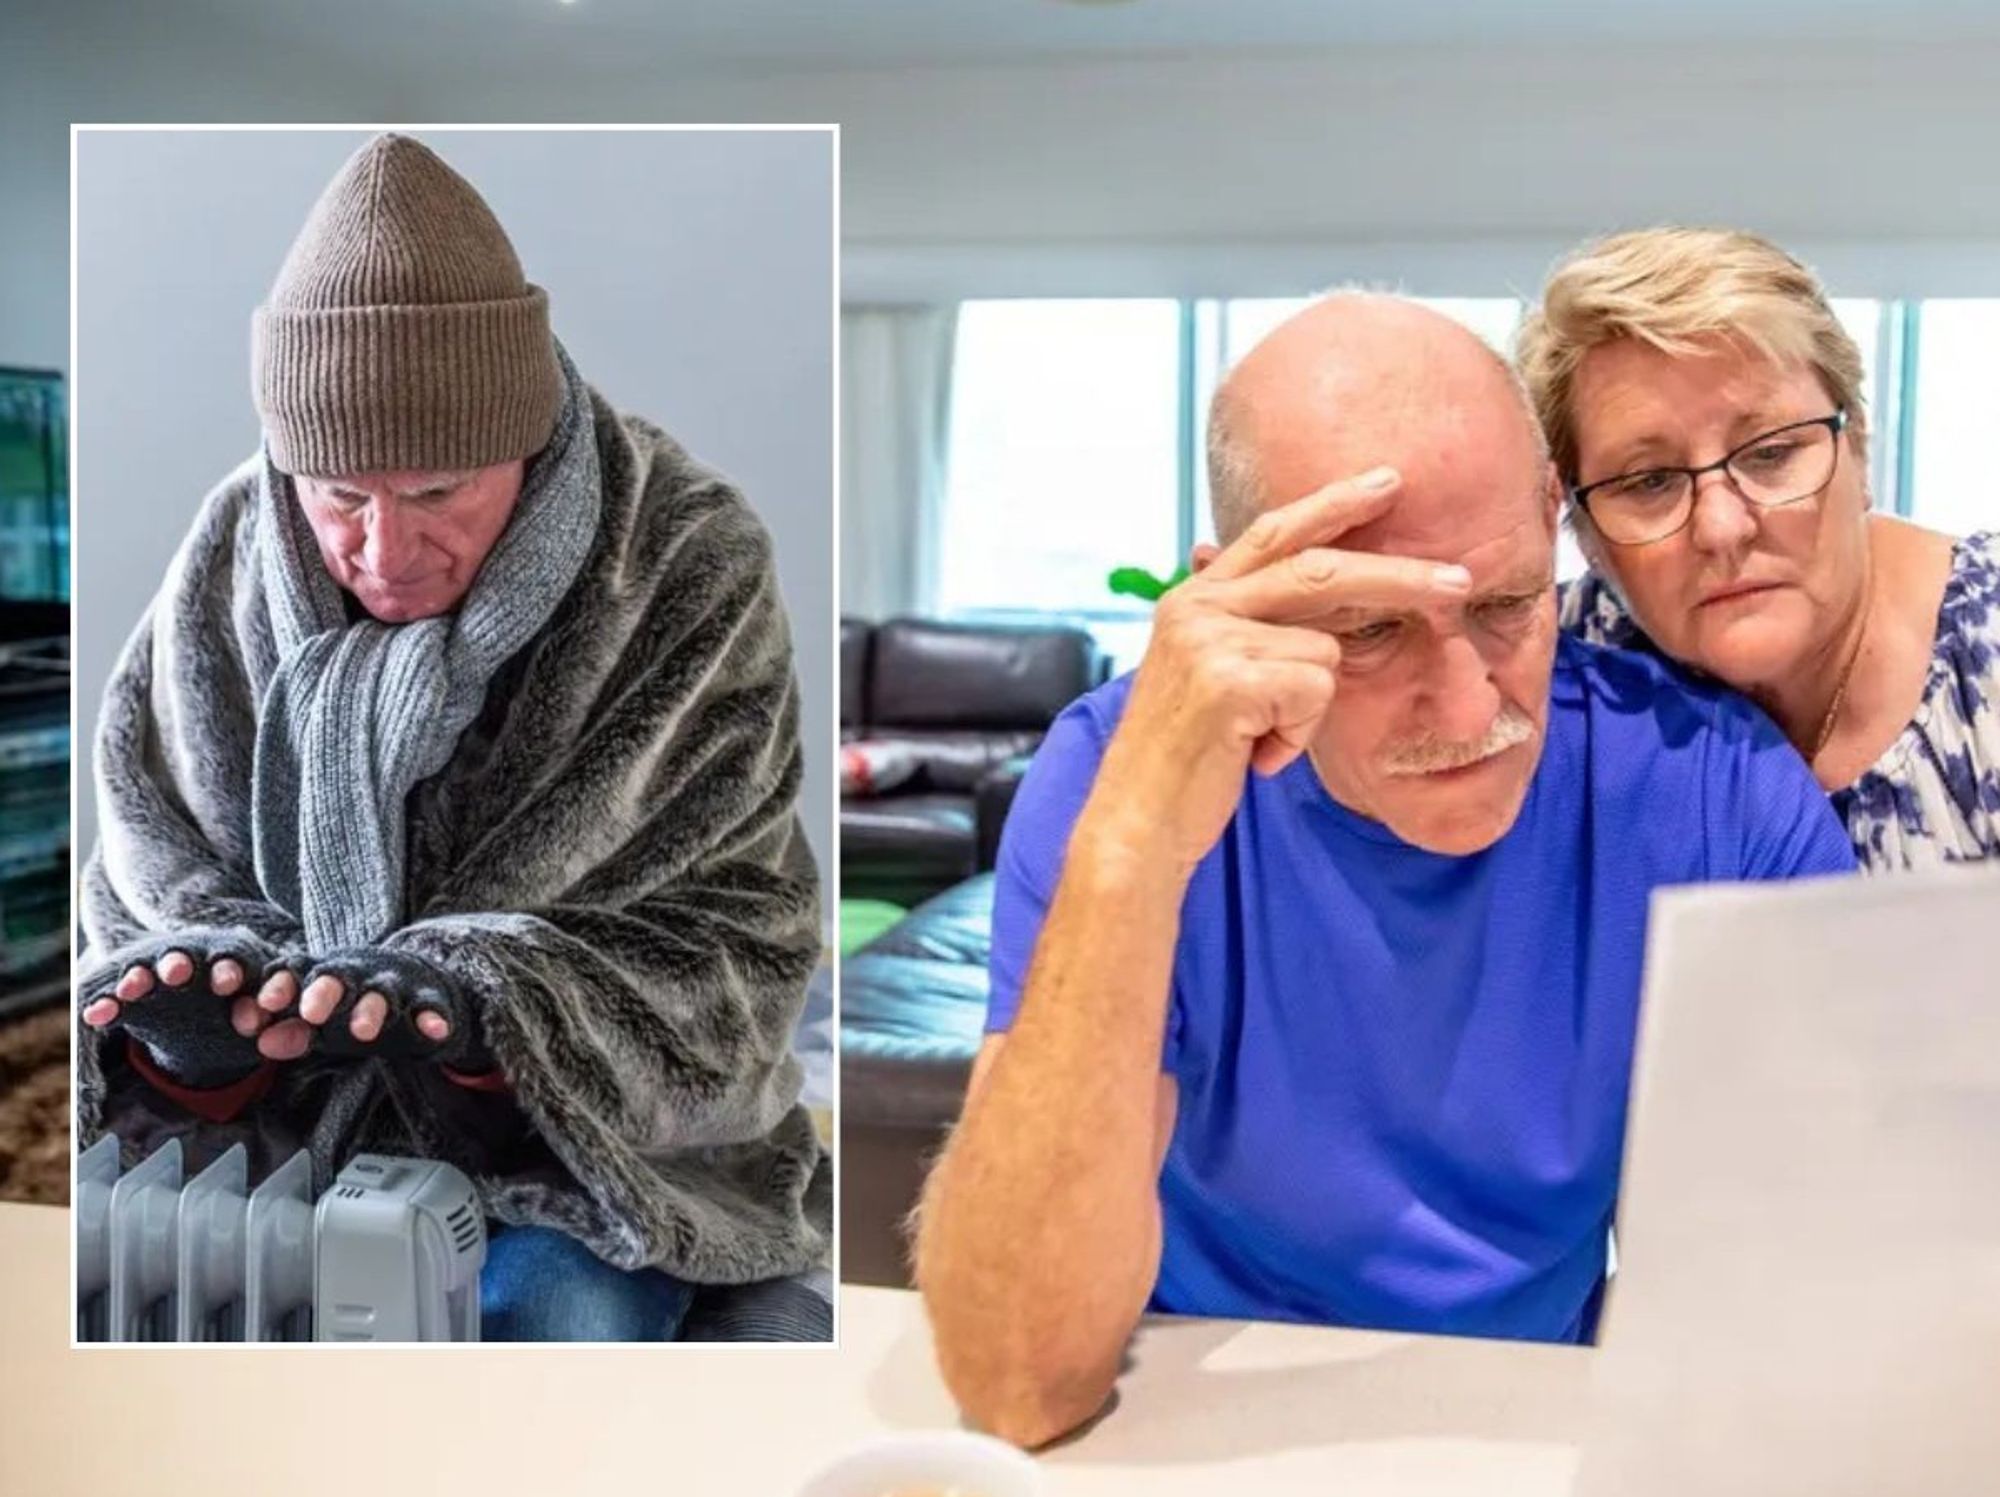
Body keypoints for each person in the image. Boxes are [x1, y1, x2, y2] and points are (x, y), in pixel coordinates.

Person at [914, 293, 1858, 1447]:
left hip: (1533, 1432)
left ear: (1551, 520)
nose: (1466, 712)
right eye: (1366, 629)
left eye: (1505, 605)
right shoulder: (1119, 771)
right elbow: (1017, 1381)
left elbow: (1815, 1293)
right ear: (1235, 597)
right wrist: (1132, 848)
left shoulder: (1707, 786)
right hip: (1182, 1420)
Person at [74, 133, 829, 1341]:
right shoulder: (230, 547)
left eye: (436, 494)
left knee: (542, 1315)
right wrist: (200, 1037)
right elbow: (144, 854)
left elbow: (734, 929)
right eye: (340, 495)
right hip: (273, 1144)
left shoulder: (686, 558)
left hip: (589, 1162)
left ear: (526, 443)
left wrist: (494, 1016)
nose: (382, 551)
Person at [1519, 226, 1998, 868]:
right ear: (1585, 533)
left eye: (1771, 453)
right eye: (1649, 482)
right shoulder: (1552, 664)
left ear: (1858, 449)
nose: (1721, 528)